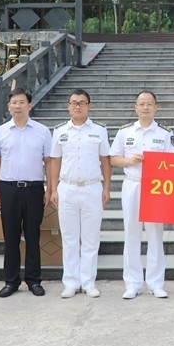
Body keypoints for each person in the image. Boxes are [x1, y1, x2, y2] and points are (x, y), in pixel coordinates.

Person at [109, 91, 174, 300]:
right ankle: (133, 283)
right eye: (142, 104)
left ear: (156, 107)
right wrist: (130, 161)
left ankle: (156, 283)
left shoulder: (165, 133)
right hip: (132, 184)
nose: (145, 107)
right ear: (135, 107)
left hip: (156, 188)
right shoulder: (125, 132)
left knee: (155, 235)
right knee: (132, 234)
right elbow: (113, 158)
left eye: (149, 104)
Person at [0, 88, 53, 298]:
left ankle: (34, 280)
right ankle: (11, 281)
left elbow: (49, 162)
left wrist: (50, 188)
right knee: (11, 237)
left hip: (34, 189)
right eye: (14, 103)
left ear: (29, 105)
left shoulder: (43, 131)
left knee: (33, 235)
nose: (18, 106)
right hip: (9, 189)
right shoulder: (0, 132)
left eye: (22, 102)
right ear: (9, 106)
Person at [50, 89, 112, 299]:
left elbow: (105, 160)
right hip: (67, 188)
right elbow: (55, 161)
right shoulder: (60, 131)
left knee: (90, 238)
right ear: (68, 106)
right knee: (69, 239)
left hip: (92, 188)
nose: (78, 106)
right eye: (74, 103)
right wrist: (53, 188)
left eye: (82, 103)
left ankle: (88, 282)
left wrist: (107, 187)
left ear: (89, 106)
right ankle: (70, 282)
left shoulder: (99, 130)